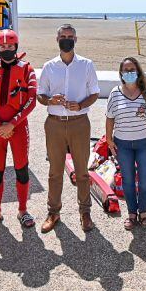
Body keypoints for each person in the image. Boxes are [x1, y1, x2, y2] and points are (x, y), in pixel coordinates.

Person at [37, 24, 100, 233]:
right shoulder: (49, 66)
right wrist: (50, 100)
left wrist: (81, 105)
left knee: (82, 171)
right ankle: (53, 212)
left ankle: (85, 212)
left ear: (76, 39)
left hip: (79, 124)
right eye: (63, 36)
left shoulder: (86, 65)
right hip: (54, 124)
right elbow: (40, 95)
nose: (66, 39)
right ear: (57, 39)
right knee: (55, 172)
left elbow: (95, 93)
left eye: (70, 36)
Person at [0, 29, 38, 230]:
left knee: (22, 169)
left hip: (18, 128)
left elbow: (31, 101)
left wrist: (12, 123)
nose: (6, 49)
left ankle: (23, 210)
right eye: (2, 46)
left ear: (16, 47)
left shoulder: (27, 69)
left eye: (9, 46)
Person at [106, 57, 146, 231]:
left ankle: (143, 211)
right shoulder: (115, 93)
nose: (129, 73)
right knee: (128, 180)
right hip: (123, 145)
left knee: (145, 180)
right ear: (121, 73)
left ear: (138, 71)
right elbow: (110, 118)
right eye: (126, 70)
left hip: (144, 143)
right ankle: (131, 213)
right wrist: (109, 140)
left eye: (132, 69)